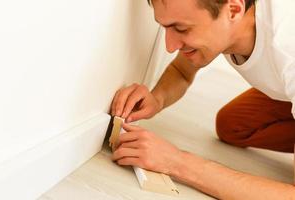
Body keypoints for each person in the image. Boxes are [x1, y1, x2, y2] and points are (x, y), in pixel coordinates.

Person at [111, 0, 295, 199]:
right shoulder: (228, 25)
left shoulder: (287, 46)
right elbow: (182, 71)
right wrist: (156, 99)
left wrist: (177, 162)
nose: (170, 46)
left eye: (181, 29)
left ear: (233, 10)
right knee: (232, 126)